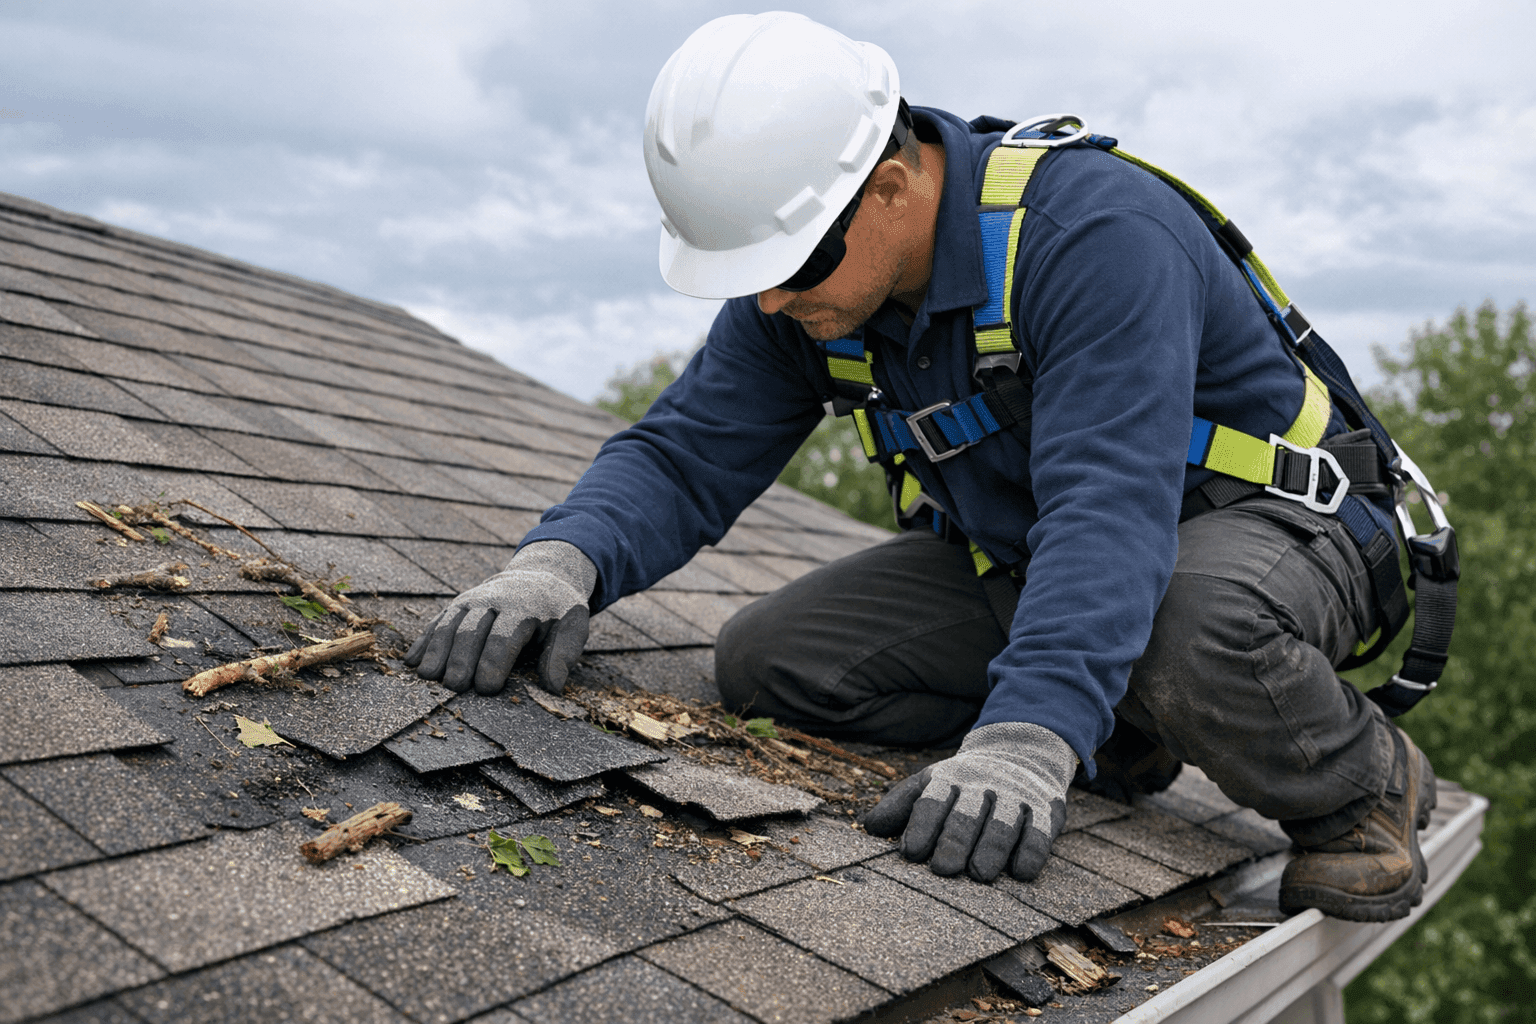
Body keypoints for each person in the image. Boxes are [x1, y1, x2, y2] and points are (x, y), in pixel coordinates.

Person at [406, 12, 1437, 923]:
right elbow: (684, 451)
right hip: (1062, 557)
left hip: (1274, 531)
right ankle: (1125, 725)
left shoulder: (1090, 237)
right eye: (753, 275)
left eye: (789, 268)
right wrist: (559, 562)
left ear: (892, 187)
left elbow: (1108, 509)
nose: (768, 302)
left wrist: (1027, 736)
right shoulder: (807, 284)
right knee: (774, 660)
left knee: (1187, 625)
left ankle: (1360, 785)